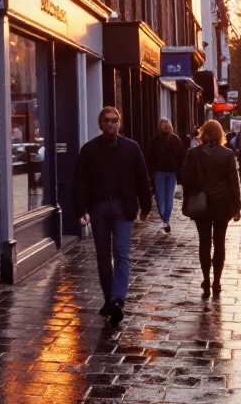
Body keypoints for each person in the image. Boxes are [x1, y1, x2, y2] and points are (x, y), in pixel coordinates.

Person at [73, 106, 152, 326]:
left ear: (120, 123)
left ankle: (117, 299)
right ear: (100, 124)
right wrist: (80, 209)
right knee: (102, 257)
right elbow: (80, 181)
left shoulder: (131, 148)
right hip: (99, 208)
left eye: (114, 120)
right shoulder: (89, 150)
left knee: (122, 254)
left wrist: (145, 205)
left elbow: (142, 178)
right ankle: (110, 299)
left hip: (123, 207)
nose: (111, 124)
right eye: (107, 120)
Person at [181, 120, 241, 299]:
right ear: (221, 134)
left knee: (204, 242)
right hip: (222, 204)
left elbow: (185, 178)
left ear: (203, 133)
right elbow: (233, 183)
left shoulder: (193, 153)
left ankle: (206, 279)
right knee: (220, 242)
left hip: (202, 205)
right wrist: (237, 207)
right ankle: (217, 281)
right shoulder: (227, 154)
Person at [147, 118, 186, 234]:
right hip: (168, 172)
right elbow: (182, 157)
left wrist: (151, 172)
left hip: (161, 172)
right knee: (168, 198)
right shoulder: (175, 140)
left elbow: (150, 158)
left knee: (161, 198)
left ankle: (165, 219)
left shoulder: (156, 140)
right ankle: (166, 220)